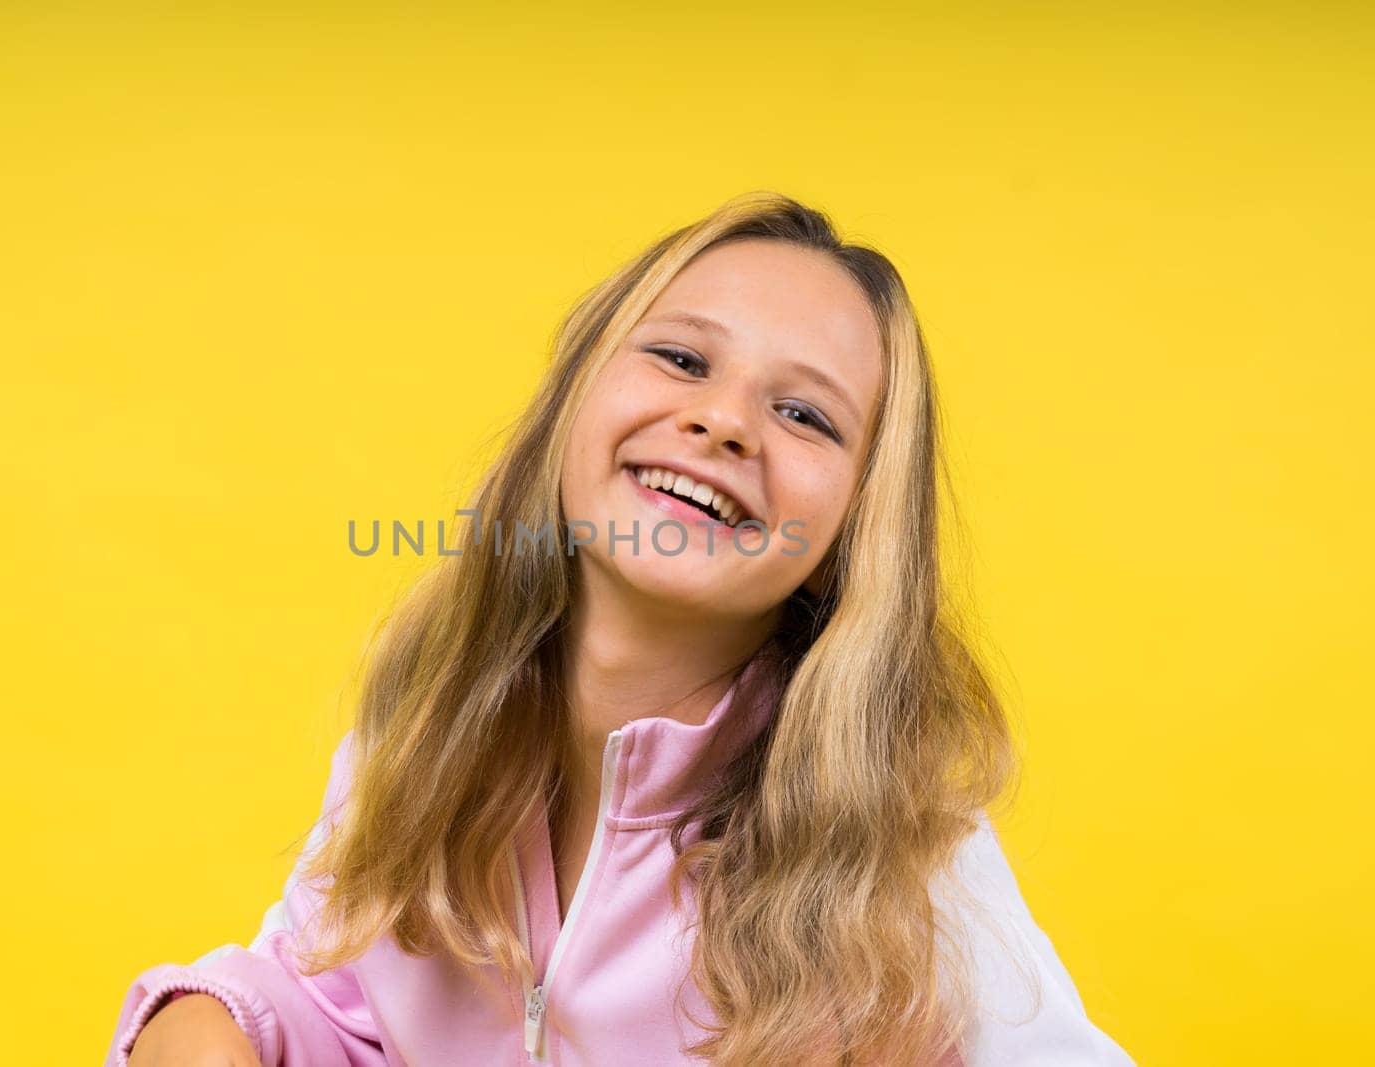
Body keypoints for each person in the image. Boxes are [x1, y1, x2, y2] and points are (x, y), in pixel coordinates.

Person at [105, 191, 1137, 1066]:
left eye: (805, 415)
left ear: (850, 531)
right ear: (571, 401)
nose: (725, 420)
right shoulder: (428, 732)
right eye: (682, 357)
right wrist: (204, 1019)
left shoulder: (902, 852)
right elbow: (327, 996)